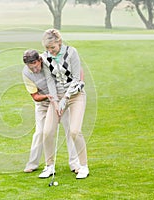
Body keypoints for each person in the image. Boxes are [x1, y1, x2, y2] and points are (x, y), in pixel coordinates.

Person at [22, 49, 80, 176]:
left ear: (39, 60)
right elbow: (35, 96)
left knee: (70, 130)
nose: (34, 70)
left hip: (61, 99)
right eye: (31, 68)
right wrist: (49, 97)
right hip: (43, 102)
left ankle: (75, 164)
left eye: (35, 66)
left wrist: (60, 100)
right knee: (41, 132)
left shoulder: (50, 61)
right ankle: (33, 164)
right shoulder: (26, 73)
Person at [41, 29, 89, 179]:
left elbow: (76, 78)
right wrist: (55, 102)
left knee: (75, 131)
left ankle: (83, 166)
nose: (51, 51)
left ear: (59, 43)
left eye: (53, 48)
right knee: (47, 131)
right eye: (47, 48)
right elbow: (50, 80)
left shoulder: (71, 52)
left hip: (75, 95)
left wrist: (65, 99)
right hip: (58, 97)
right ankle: (49, 166)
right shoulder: (45, 57)